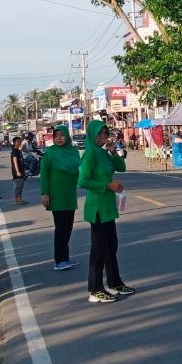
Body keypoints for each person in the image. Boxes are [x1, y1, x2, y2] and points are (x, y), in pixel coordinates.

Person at [80, 120, 132, 303]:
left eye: (105, 133)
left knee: (111, 247)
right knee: (98, 250)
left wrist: (112, 151)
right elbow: (83, 181)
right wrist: (107, 185)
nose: (103, 137)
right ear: (92, 135)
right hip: (97, 208)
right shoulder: (89, 155)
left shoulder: (103, 153)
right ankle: (95, 289)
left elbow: (122, 167)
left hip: (108, 207)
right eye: (100, 134)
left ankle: (115, 283)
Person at [41, 125, 81, 271]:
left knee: (68, 228)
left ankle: (65, 257)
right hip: (56, 196)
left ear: (67, 136)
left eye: (61, 135)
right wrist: (45, 193)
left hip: (70, 195)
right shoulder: (50, 153)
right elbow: (44, 174)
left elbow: (80, 169)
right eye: (56, 135)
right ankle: (59, 261)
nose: (58, 138)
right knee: (61, 229)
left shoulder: (73, 151)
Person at [11, 135, 29, 205]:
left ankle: (20, 199)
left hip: (21, 171)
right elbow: (15, 161)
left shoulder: (19, 151)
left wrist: (24, 171)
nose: (20, 143)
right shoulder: (14, 151)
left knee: (21, 186)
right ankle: (15, 200)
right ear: (14, 143)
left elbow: (21, 161)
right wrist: (17, 171)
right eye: (18, 142)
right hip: (16, 172)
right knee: (17, 186)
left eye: (20, 142)